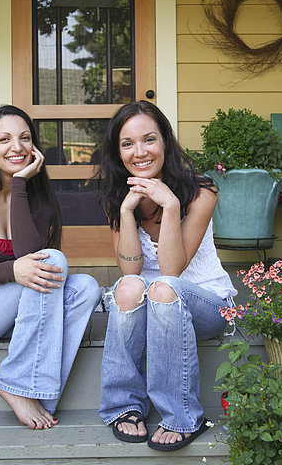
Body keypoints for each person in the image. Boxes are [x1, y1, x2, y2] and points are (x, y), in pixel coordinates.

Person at [0, 105, 101, 430]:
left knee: (88, 288)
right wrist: (10, 272)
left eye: (25, 138)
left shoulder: (35, 199)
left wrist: (19, 186)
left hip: (14, 313)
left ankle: (40, 394)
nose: (17, 147)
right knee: (53, 262)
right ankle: (14, 382)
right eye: (5, 139)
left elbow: (29, 256)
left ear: (35, 146)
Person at [97, 101, 237, 452]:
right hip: (152, 302)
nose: (139, 152)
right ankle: (124, 405)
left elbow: (173, 269)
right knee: (127, 288)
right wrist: (127, 211)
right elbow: (130, 269)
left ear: (165, 143)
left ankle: (182, 417)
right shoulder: (117, 197)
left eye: (149, 140)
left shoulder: (201, 191)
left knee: (163, 287)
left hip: (207, 304)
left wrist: (171, 205)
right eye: (128, 144)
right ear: (118, 152)